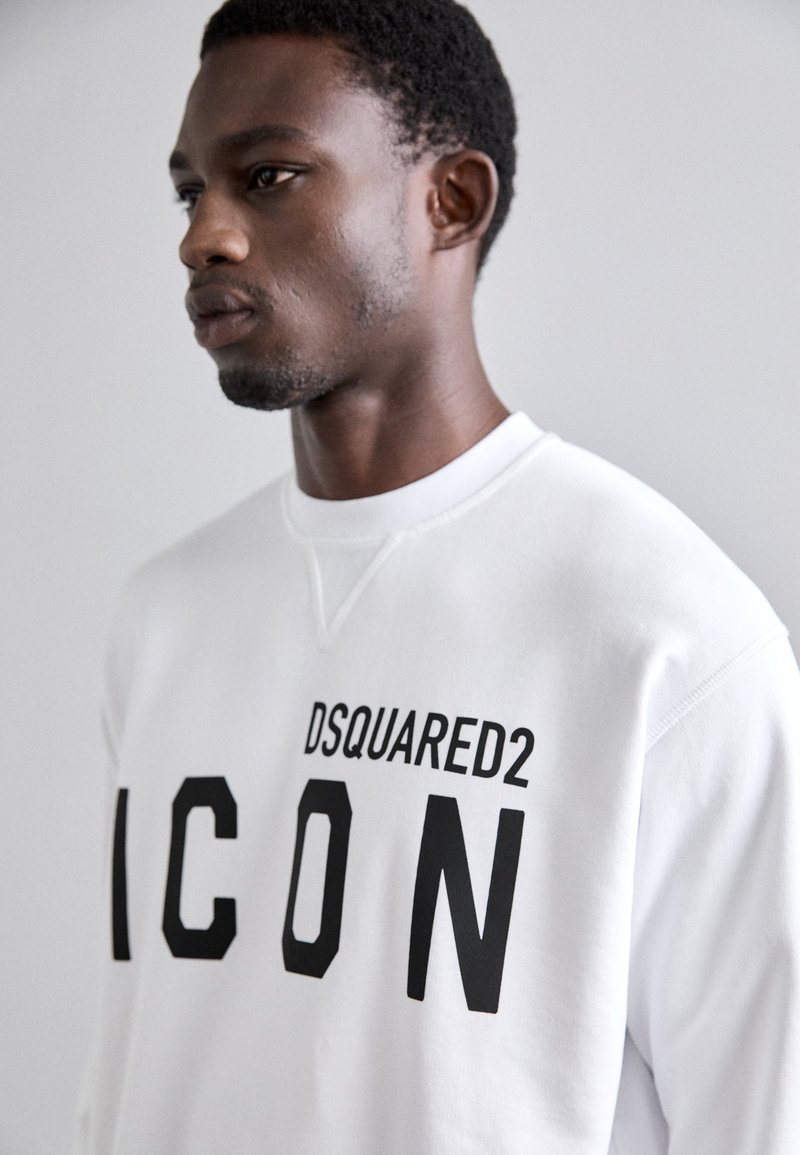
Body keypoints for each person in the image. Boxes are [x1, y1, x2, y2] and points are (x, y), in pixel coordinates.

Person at [74, 0, 800, 1151]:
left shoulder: (667, 638)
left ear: (449, 201)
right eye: (189, 192)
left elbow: (757, 1115)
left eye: (267, 177)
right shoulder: (165, 617)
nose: (203, 236)